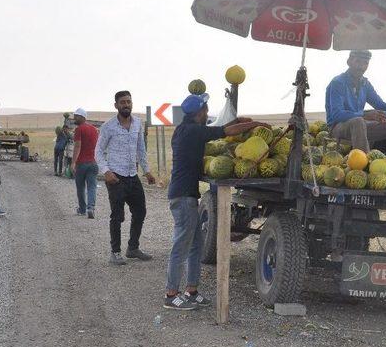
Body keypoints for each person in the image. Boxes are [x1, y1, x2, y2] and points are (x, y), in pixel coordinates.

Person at [163, 93, 270, 310]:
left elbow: (220, 127)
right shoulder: (192, 131)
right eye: (206, 109)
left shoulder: (186, 129)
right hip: (182, 197)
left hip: (186, 195)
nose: (207, 112)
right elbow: (224, 131)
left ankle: (191, 291)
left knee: (195, 245)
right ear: (200, 112)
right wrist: (254, 124)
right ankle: (171, 294)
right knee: (181, 245)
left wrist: (238, 122)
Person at [95, 91, 156, 266]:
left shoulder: (137, 123)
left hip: (132, 175)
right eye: (122, 102)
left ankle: (133, 248)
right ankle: (115, 252)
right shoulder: (108, 126)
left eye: (129, 101)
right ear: (116, 105)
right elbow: (98, 151)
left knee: (140, 211)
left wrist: (147, 171)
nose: (126, 105)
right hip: (115, 177)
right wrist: (106, 171)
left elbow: (141, 149)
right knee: (117, 216)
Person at [326, 50, 386, 152]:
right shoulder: (338, 82)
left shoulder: (365, 84)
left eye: (365, 63)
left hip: (360, 126)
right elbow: (337, 115)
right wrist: (364, 116)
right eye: (358, 61)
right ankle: (363, 164)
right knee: (358, 121)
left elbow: (381, 105)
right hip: (337, 128)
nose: (361, 67)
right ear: (349, 62)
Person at [71, 108, 99, 219]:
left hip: (82, 163)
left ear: (83, 117)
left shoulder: (79, 129)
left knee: (80, 187)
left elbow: (77, 146)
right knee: (92, 187)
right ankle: (91, 208)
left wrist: (73, 162)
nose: (74, 118)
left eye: (76, 116)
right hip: (93, 163)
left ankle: (82, 209)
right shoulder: (94, 129)